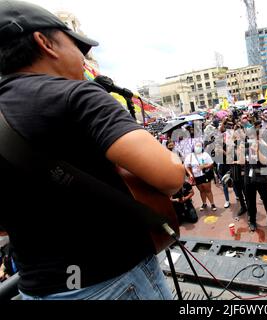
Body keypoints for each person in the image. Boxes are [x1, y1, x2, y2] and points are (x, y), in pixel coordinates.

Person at [0, 0, 185, 300]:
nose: (83, 59)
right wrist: (173, 157)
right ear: (44, 42)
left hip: (37, 291)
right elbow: (170, 176)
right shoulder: (75, 94)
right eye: (78, 47)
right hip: (113, 283)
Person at [244, 130, 267, 232]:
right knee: (250, 200)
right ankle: (252, 220)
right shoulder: (245, 147)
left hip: (261, 176)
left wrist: (256, 150)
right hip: (249, 177)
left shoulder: (263, 147)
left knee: (265, 198)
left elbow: (265, 161)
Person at [184, 142, 217, 212]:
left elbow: (211, 164)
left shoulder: (205, 154)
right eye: (197, 146)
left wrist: (204, 166)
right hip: (196, 176)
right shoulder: (190, 156)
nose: (198, 147)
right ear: (193, 147)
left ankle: (212, 204)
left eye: (200, 146)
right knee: (201, 190)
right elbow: (186, 166)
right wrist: (190, 174)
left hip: (205, 175)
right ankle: (204, 203)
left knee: (208, 190)